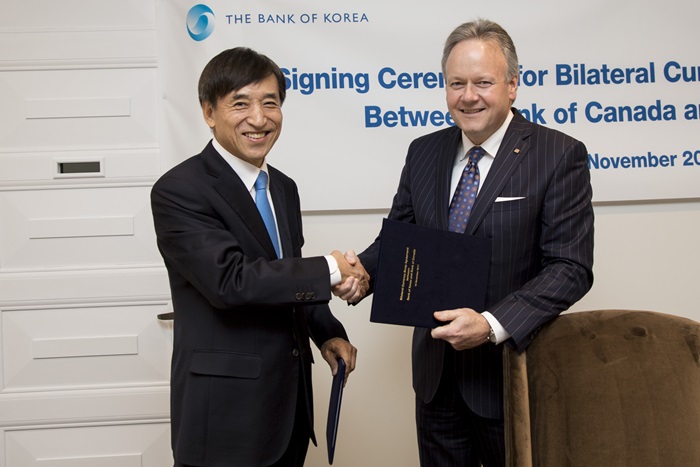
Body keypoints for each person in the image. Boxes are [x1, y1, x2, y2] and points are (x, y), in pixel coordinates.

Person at [342, 19, 594, 466]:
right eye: (456, 83)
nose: (468, 96)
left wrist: (492, 324)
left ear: (513, 85)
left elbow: (569, 267)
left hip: (510, 377)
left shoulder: (558, 154)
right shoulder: (424, 151)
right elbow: (400, 240)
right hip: (436, 380)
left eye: (483, 82)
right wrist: (362, 272)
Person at [151, 47, 367, 467]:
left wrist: (326, 332)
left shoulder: (282, 187)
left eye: (271, 103)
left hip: (287, 412)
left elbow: (286, 272)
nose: (259, 117)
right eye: (240, 103)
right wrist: (331, 267)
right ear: (208, 112)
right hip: (226, 420)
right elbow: (231, 282)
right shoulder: (180, 190)